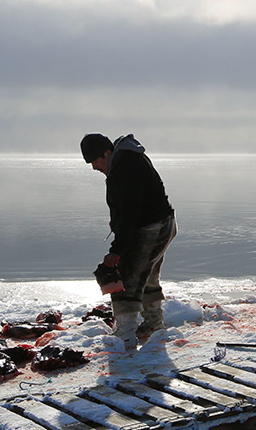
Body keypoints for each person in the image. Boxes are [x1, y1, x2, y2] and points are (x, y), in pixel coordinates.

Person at [81, 133, 177, 352]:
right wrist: (117, 221)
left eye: (96, 161)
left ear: (108, 152)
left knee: (126, 275)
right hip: (163, 222)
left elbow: (131, 213)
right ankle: (153, 324)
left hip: (151, 226)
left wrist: (116, 250)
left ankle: (125, 335)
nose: (95, 167)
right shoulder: (124, 161)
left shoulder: (126, 166)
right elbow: (127, 208)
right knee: (148, 273)